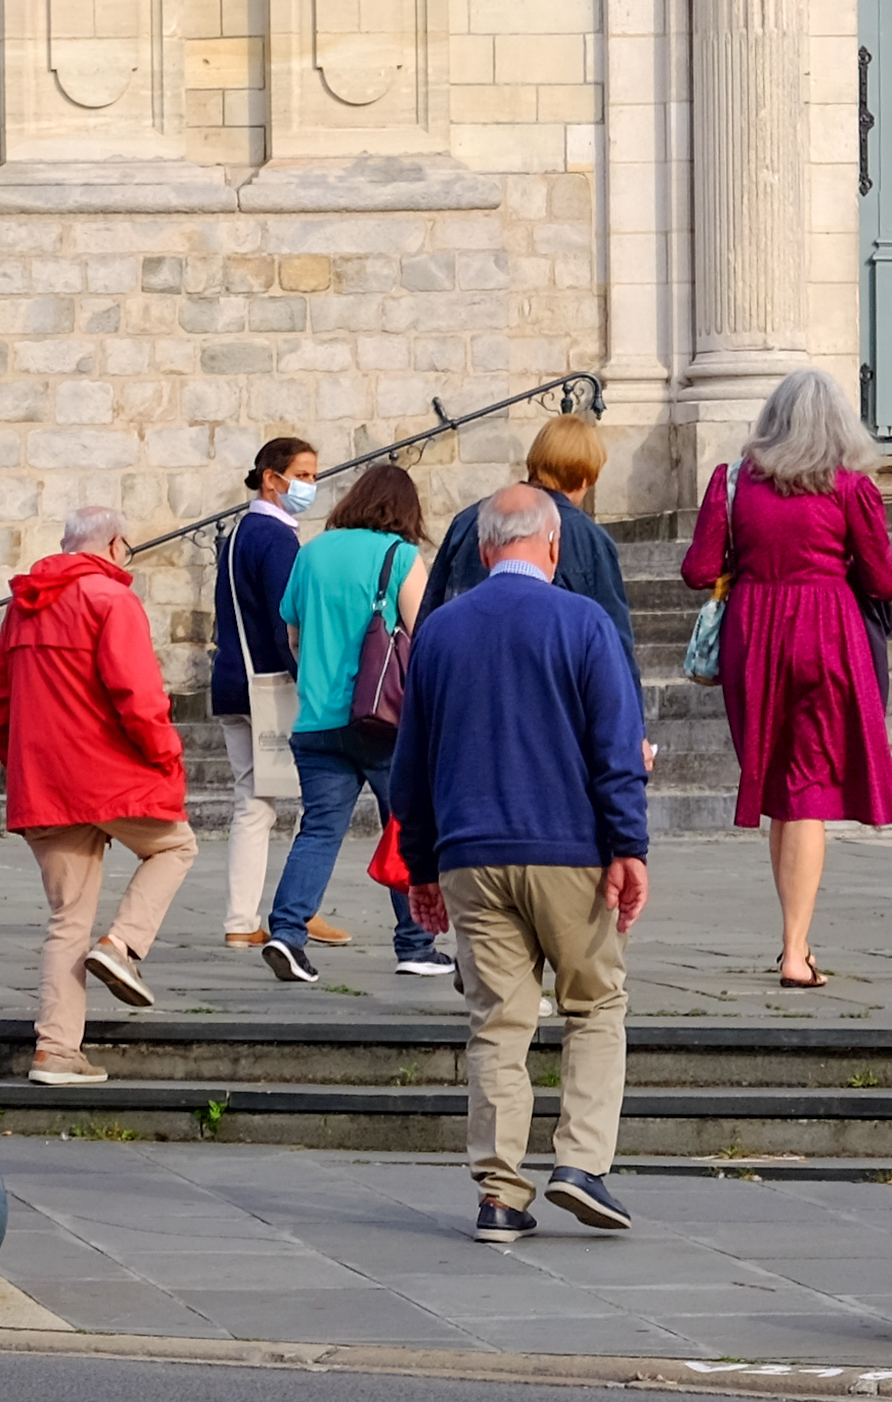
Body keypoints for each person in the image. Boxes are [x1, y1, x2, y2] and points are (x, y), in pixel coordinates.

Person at [394, 483, 653, 1246]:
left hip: (472, 854)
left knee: (498, 1024)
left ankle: (500, 1195)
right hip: (569, 848)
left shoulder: (440, 632)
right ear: (554, 546)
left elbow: (411, 767)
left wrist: (420, 865)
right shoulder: (583, 621)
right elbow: (615, 748)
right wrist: (628, 847)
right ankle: (581, 1164)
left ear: (480, 550)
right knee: (595, 1004)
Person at [681, 368, 892, 989]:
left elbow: (699, 569)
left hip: (753, 637)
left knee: (784, 787)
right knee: (806, 789)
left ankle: (793, 939)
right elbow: (884, 582)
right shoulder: (851, 488)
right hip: (827, 632)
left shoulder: (730, 482)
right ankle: (794, 949)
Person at [0, 501, 195, 1086]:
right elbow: (139, 696)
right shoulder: (111, 600)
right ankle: (122, 945)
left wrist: (28, 763)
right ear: (114, 545)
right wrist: (166, 755)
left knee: (67, 920)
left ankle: (55, 1050)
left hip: (47, 783)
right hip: (108, 777)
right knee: (176, 847)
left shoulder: (21, 608)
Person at [260, 461, 440, 986]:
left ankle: (287, 932)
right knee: (405, 828)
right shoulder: (401, 557)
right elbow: (424, 638)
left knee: (318, 829)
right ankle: (415, 942)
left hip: (316, 719)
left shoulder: (311, 553)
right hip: (383, 723)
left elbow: (290, 636)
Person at [209, 433, 315, 958]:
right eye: (303, 475)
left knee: (259, 797)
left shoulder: (237, 535)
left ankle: (268, 913)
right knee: (281, 798)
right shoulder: (275, 539)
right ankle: (268, 913)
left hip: (231, 681)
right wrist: (305, 676)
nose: (309, 486)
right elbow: (284, 620)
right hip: (268, 685)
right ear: (273, 479)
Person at [420, 412, 632, 620]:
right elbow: (613, 636)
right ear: (586, 478)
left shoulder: (467, 521)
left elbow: (430, 617)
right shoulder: (589, 539)